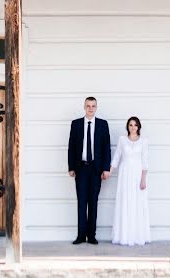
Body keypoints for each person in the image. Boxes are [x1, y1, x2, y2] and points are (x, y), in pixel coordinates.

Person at [67, 96, 111, 244]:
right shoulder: (76, 124)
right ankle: (81, 235)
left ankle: (91, 235)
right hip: (81, 168)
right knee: (81, 201)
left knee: (93, 202)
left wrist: (106, 168)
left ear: (96, 107)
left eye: (93, 106)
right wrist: (71, 167)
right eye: (88, 106)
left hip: (96, 169)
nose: (90, 108)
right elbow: (71, 147)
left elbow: (106, 148)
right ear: (84, 107)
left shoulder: (103, 125)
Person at [109, 116, 151, 246]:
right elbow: (116, 158)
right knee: (125, 202)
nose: (133, 127)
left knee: (137, 203)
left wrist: (143, 180)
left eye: (135, 125)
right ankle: (124, 235)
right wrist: (109, 172)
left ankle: (137, 235)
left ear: (139, 127)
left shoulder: (143, 141)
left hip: (137, 175)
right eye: (130, 125)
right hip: (125, 174)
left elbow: (145, 162)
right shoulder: (122, 140)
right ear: (128, 127)